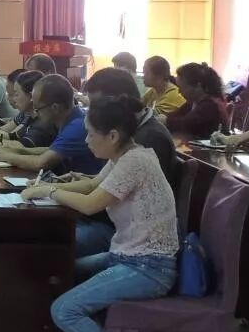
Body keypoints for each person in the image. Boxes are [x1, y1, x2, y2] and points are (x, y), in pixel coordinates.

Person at [26, 97, 179, 332]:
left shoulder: (135, 162)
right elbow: (94, 185)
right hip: (128, 256)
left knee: (64, 309)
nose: (86, 140)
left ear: (112, 135)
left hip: (148, 267)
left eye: (91, 134)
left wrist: (47, 191)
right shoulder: (128, 154)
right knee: (61, 272)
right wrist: (65, 182)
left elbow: (90, 204)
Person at [70, 67, 179, 257]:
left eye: (97, 105)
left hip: (127, 235)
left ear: (116, 102)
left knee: (56, 240)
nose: (93, 112)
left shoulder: (147, 140)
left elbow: (96, 202)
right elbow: (104, 183)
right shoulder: (131, 134)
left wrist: (53, 193)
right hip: (114, 223)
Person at [0, 73, 105, 176]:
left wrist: (5, 156)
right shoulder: (70, 117)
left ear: (55, 108)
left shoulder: (76, 127)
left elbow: (40, 163)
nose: (35, 113)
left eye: (38, 109)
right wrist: (18, 150)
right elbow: (52, 149)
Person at [0, 70, 53, 149]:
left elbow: (22, 147)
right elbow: (12, 136)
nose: (13, 99)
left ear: (31, 96)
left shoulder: (42, 122)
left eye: (16, 94)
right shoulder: (30, 116)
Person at [165, 62, 226, 140]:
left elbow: (187, 123)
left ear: (198, 86)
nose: (179, 91)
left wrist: (166, 121)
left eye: (182, 87)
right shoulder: (193, 103)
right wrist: (164, 119)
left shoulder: (210, 105)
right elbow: (176, 115)